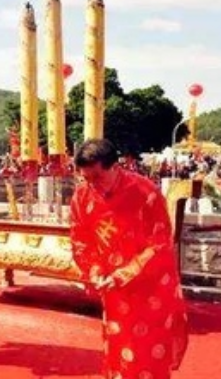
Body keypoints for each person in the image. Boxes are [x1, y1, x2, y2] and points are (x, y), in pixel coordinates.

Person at [69, 139, 188, 379]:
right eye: (86, 178)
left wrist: (124, 274)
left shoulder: (145, 192)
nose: (93, 185)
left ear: (115, 166)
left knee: (149, 349)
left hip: (151, 286)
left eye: (98, 177)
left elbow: (159, 243)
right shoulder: (83, 195)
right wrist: (94, 271)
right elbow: (80, 238)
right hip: (113, 286)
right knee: (118, 344)